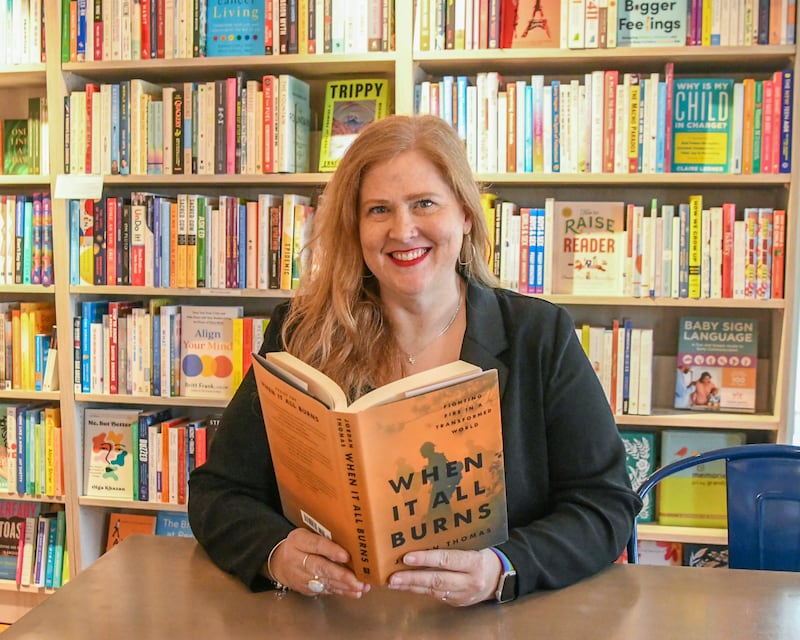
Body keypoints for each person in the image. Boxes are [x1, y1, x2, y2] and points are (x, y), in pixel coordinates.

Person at [188, 115, 641, 607]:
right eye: (378, 210)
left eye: (424, 203)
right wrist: (276, 553)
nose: (402, 230)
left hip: (493, 621)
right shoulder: (300, 333)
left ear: (465, 214)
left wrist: (502, 568)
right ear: (356, 228)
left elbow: (605, 504)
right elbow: (217, 493)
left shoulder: (538, 335)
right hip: (337, 618)